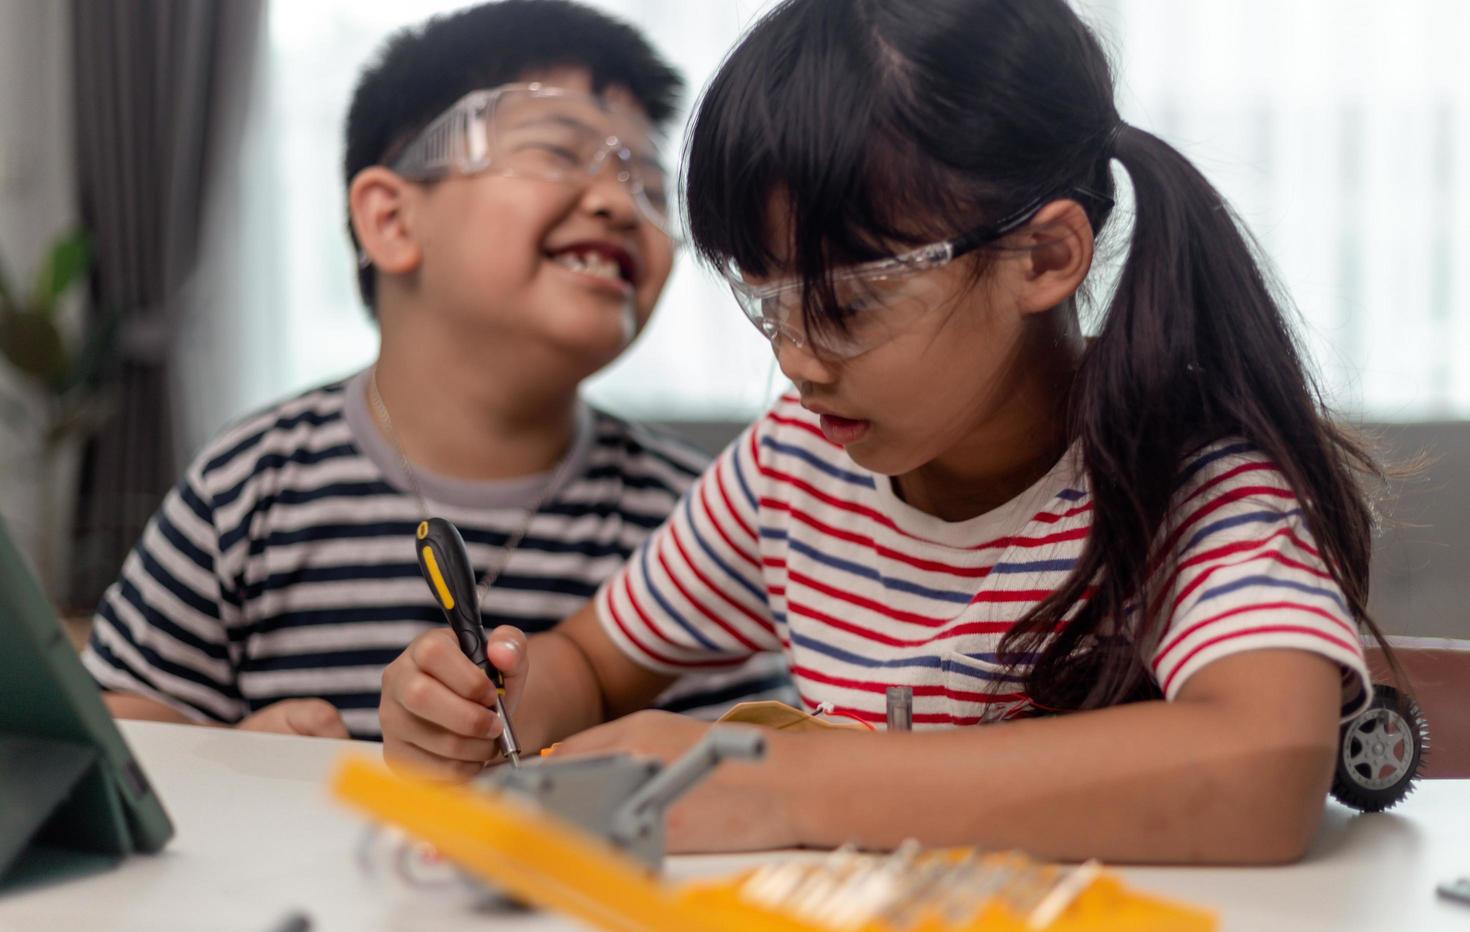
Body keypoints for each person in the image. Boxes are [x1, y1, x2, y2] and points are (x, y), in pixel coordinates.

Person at [379, 0, 1387, 864]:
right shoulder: (797, 464)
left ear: (1043, 256)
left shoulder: (1182, 475)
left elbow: (1269, 765)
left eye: (848, 305)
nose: (797, 358)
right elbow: (593, 661)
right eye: (764, 302)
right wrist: (495, 701)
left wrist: (782, 783)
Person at [82, 0, 792, 739]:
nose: (619, 202)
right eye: (557, 150)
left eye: (647, 182)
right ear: (392, 221)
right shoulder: (250, 488)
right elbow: (121, 751)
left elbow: (749, 767)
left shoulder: (697, 517)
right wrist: (243, 767)